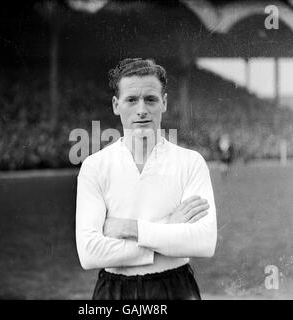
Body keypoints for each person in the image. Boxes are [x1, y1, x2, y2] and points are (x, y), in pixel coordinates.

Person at [75, 58, 217, 300]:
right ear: (116, 105)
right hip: (114, 290)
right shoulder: (94, 167)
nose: (141, 109)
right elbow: (90, 254)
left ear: (163, 103)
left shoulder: (190, 162)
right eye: (131, 99)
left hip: (175, 287)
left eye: (150, 99)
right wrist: (168, 231)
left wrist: (131, 229)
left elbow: (204, 242)